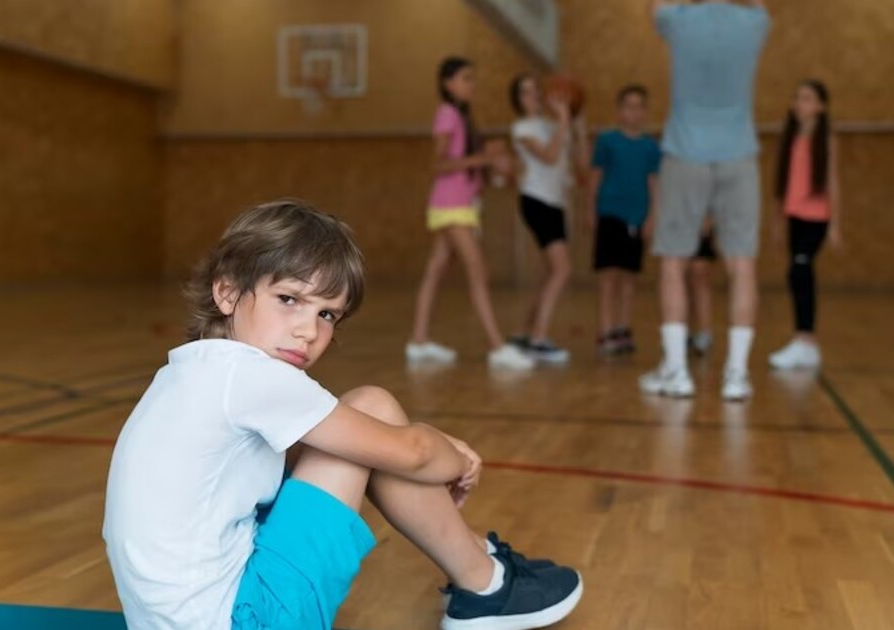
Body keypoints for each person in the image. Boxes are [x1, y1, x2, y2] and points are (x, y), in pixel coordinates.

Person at [103, 200, 583, 630]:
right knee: (370, 407)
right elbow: (414, 455)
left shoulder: (189, 370)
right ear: (227, 293)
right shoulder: (249, 377)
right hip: (245, 621)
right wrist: (457, 457)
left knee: (352, 432)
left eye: (327, 314)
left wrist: (420, 446)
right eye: (288, 299)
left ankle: (476, 557)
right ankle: (485, 583)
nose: (308, 331)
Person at [639, 0, 770, 400]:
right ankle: (736, 375)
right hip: (738, 157)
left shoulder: (678, 21)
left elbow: (654, 6)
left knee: (673, 261)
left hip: (686, 154)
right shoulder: (755, 22)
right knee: (742, 264)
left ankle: (677, 372)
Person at [409, 57, 534, 370]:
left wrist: (491, 165)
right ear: (448, 83)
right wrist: (482, 158)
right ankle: (496, 346)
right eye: (465, 78)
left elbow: (466, 165)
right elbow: (436, 164)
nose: (471, 85)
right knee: (478, 271)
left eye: (472, 79)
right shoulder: (447, 114)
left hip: (459, 205)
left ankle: (418, 341)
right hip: (450, 207)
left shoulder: (462, 116)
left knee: (436, 270)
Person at [507, 74, 588, 364]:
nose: (535, 96)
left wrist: (577, 125)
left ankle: (524, 332)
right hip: (536, 201)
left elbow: (582, 165)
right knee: (562, 269)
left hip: (555, 204)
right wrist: (565, 121)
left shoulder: (554, 124)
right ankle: (538, 341)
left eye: (536, 90)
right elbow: (550, 157)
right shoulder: (521, 128)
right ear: (518, 100)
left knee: (551, 273)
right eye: (526, 92)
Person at [769, 79, 841, 370]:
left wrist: (835, 224)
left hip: (817, 218)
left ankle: (804, 339)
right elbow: (781, 185)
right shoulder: (789, 138)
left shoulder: (827, 140)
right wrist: (775, 221)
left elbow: (833, 181)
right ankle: (806, 344)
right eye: (798, 97)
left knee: (799, 269)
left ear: (821, 107)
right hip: (794, 216)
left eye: (808, 98)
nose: (800, 103)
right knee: (798, 273)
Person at [586, 84, 661, 356]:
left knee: (630, 276)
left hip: (636, 217)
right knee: (608, 275)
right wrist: (590, 210)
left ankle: (622, 328)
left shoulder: (651, 147)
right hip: (609, 213)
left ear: (645, 112)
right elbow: (595, 178)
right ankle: (605, 331)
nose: (634, 111)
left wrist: (652, 216)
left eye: (639, 106)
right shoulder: (607, 141)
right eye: (628, 105)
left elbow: (654, 184)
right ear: (619, 111)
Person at [688, 227, 719, 355]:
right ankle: (681, 330)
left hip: (701, 218)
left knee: (700, 272)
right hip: (678, 219)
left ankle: (704, 331)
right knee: (680, 275)